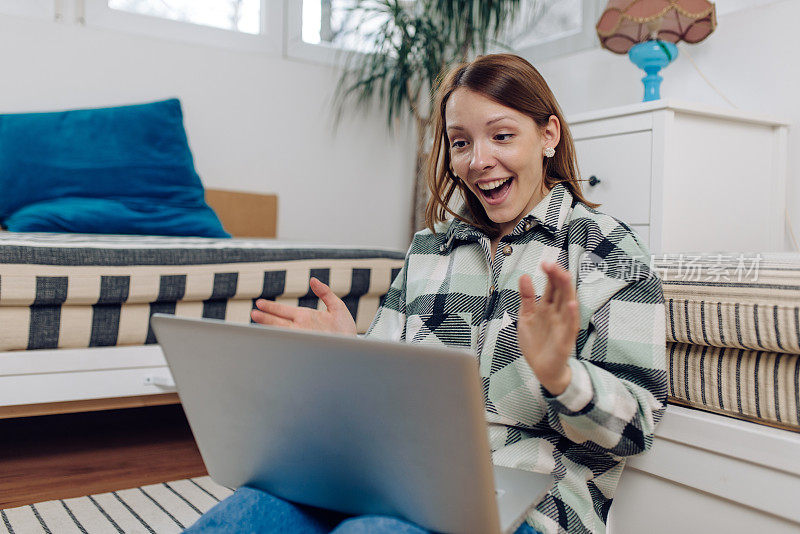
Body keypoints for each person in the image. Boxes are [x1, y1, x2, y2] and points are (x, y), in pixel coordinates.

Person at [186, 53, 667, 534]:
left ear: (548, 136)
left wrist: (561, 377)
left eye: (502, 136)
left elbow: (636, 426)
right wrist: (347, 351)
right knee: (250, 512)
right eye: (461, 143)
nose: (478, 161)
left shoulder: (608, 248)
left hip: (531, 504)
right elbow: (388, 400)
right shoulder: (431, 248)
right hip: (399, 477)